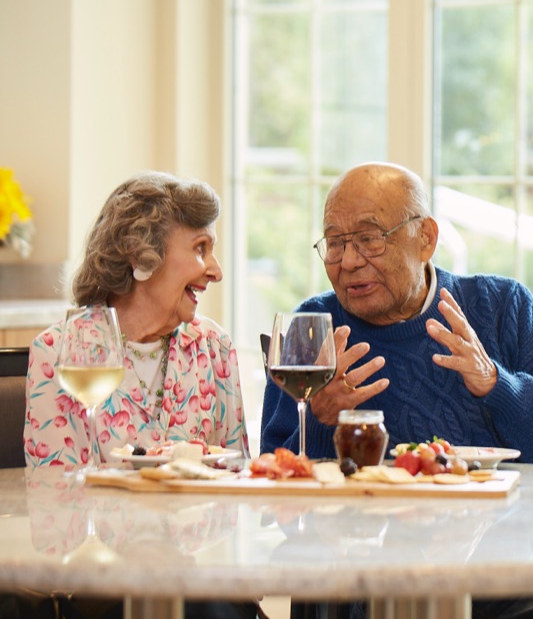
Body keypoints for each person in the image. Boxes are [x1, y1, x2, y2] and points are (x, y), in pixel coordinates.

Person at [261, 161, 533, 619]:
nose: (348, 261)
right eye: (335, 243)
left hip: (501, 579)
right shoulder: (313, 327)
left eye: (369, 239)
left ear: (425, 238)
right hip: (354, 578)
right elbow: (278, 501)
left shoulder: (504, 306)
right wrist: (324, 422)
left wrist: (494, 383)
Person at [24, 171, 250, 465]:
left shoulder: (215, 347)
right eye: (200, 248)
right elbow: (54, 496)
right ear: (140, 255)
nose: (216, 271)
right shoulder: (57, 353)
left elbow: (237, 478)